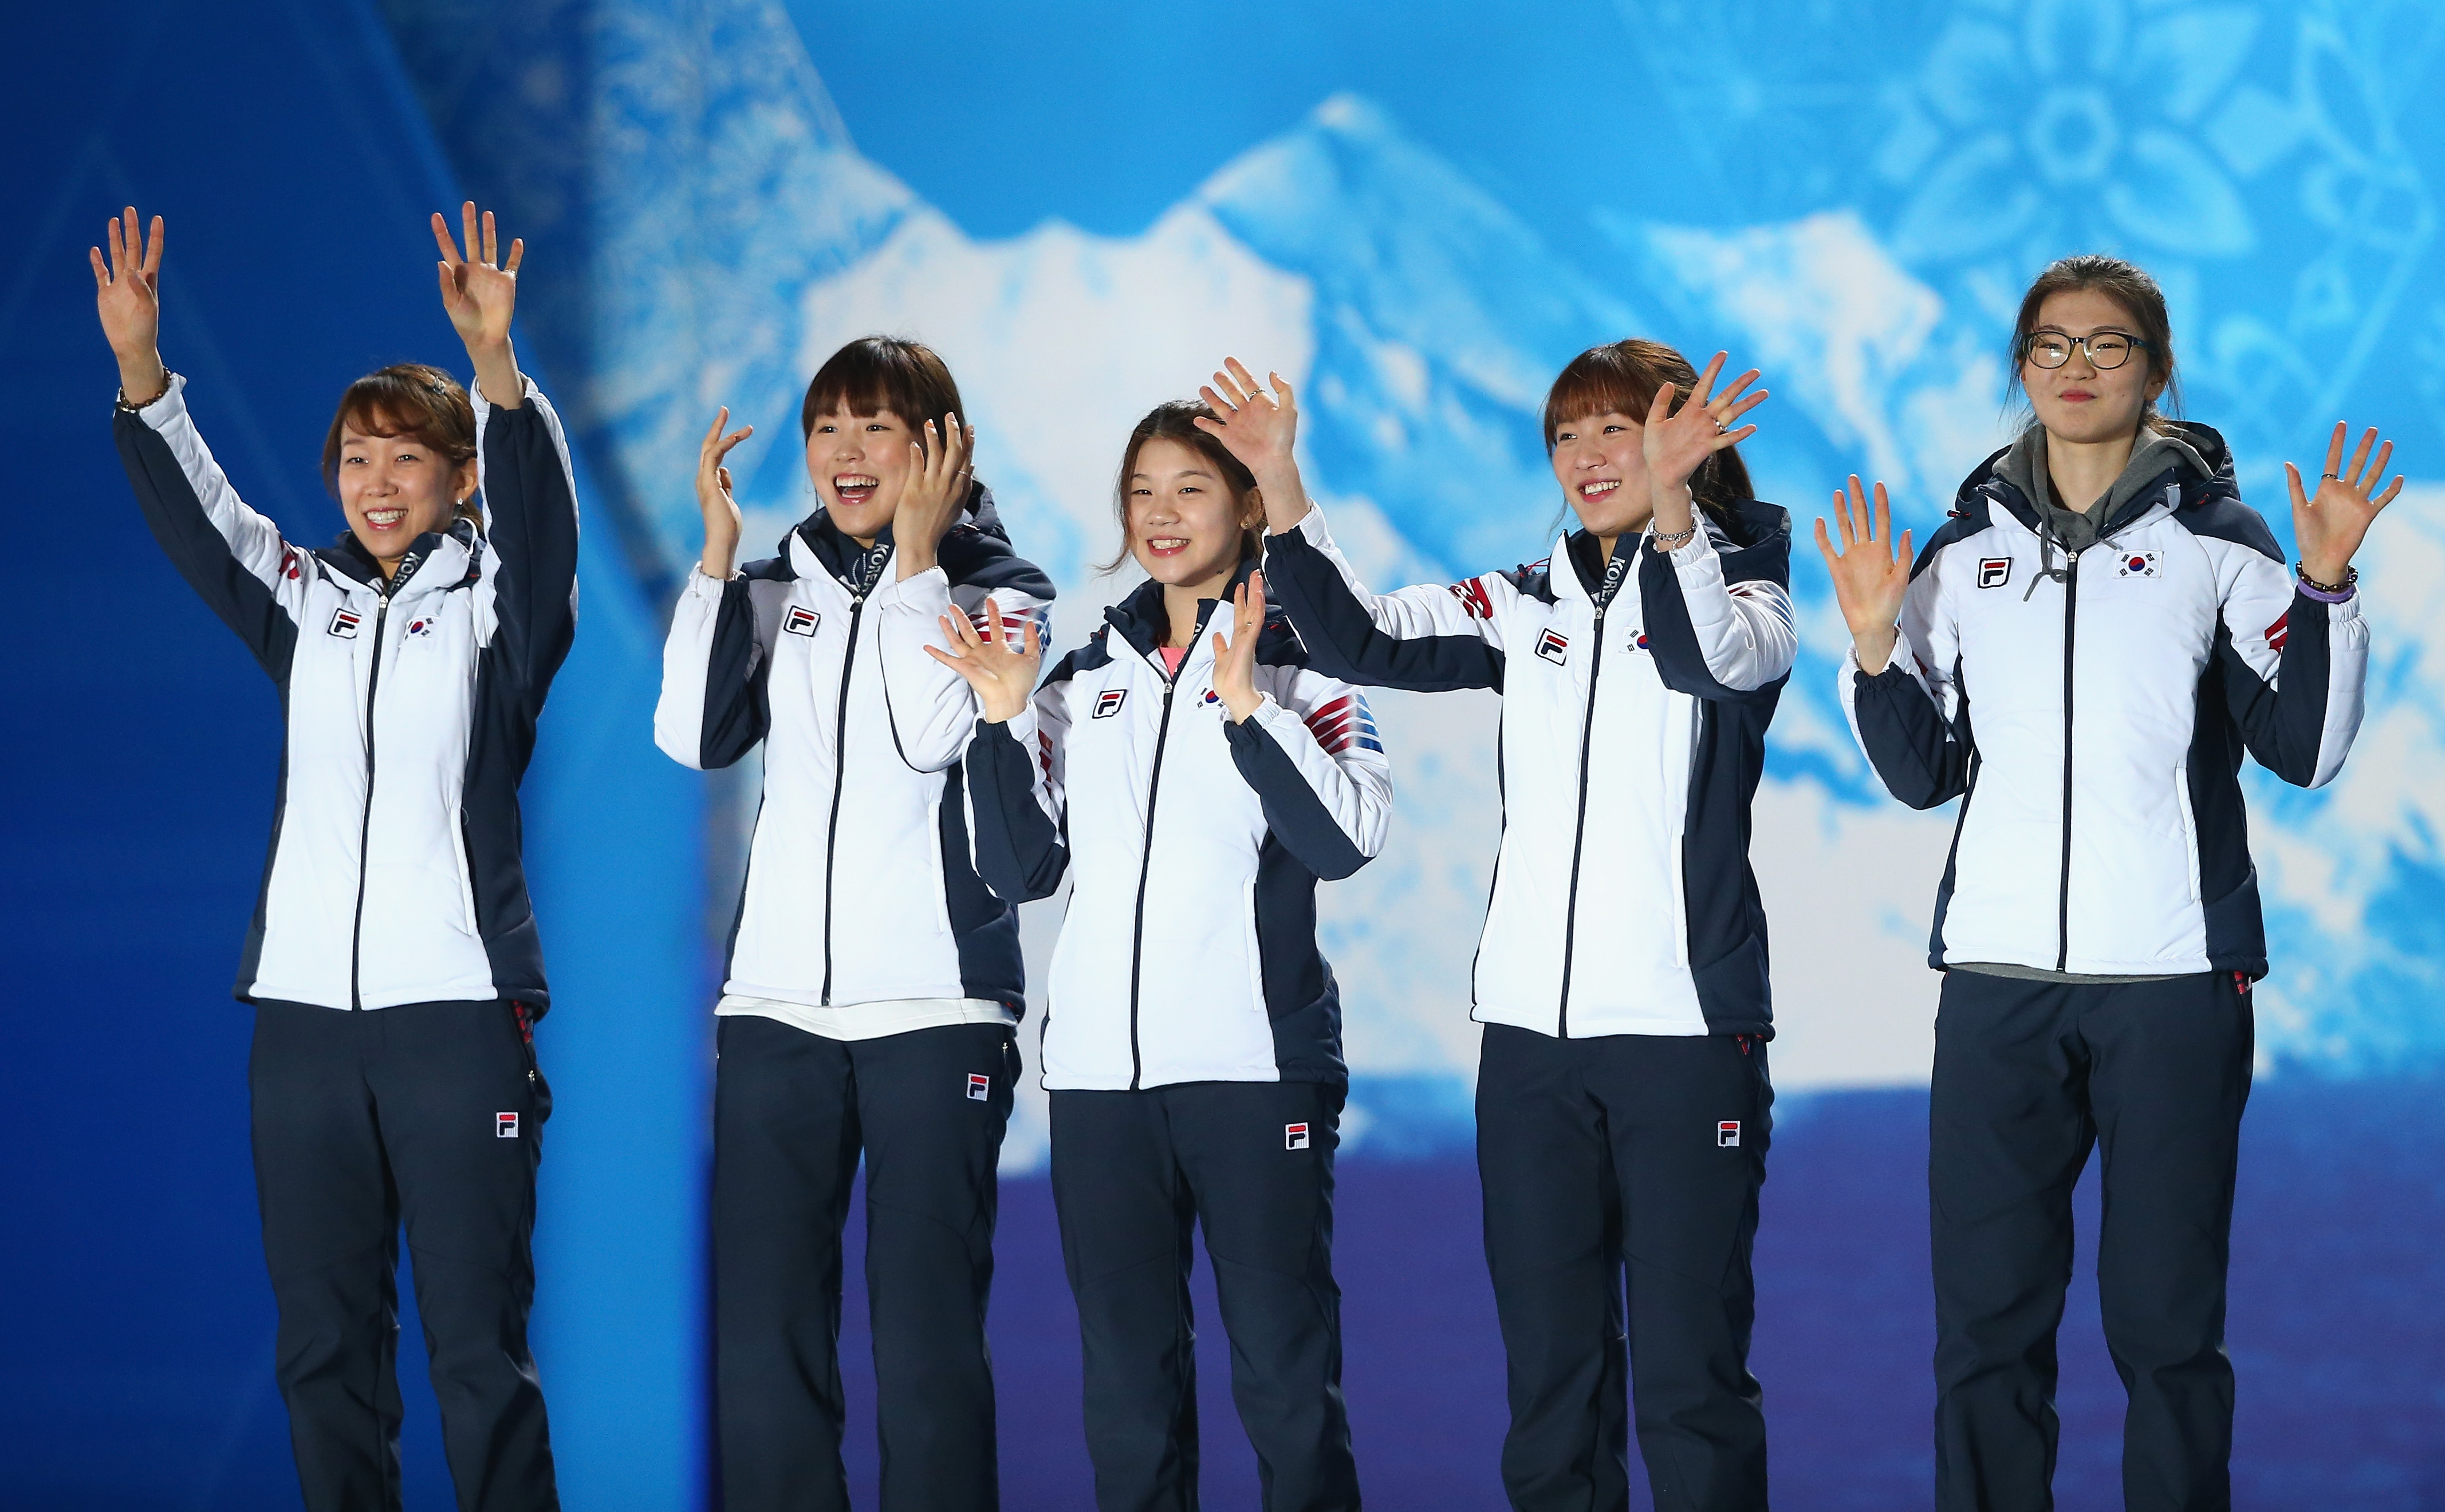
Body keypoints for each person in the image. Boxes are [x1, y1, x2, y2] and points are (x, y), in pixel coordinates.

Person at [1813, 253, 2399, 1512]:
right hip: (1998, 986)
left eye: (2108, 345)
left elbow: (2306, 750)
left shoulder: (2222, 545)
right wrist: (1871, 646)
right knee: (1985, 1334)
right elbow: (1922, 776)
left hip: (2174, 983)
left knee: (2166, 1328)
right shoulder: (1961, 553)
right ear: (2021, 367)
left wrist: (2327, 587)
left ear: (2157, 369)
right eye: (2052, 344)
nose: (2077, 366)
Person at [1226, 344, 1797, 1511]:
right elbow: (1357, 639)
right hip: (1532, 1050)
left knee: (1689, 1382)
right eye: (1566, 436)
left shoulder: (1752, 594)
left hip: (1687, 1039)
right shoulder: (1521, 602)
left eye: (1618, 429)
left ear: (1685, 441)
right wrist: (1280, 484)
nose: (1588, 458)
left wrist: (1676, 514)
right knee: (1551, 1385)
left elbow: (1704, 664)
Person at [95, 203, 577, 1510]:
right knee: (324, 1355)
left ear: (460, 477)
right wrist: (141, 367)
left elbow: (545, 534)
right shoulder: (303, 601)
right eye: (357, 457)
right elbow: (203, 517)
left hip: (456, 1019)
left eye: (407, 456)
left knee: (476, 1356)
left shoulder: (494, 610)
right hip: (303, 1027)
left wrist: (495, 368)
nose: (376, 480)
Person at [930, 400, 1392, 1512]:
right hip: (1102, 1086)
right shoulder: (1082, 677)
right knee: (1129, 1395)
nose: (1161, 513)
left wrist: (1248, 710)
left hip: (1254, 1073)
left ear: (1247, 505)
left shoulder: (1308, 667)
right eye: (1142, 492)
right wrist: (1002, 723)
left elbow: (1347, 842)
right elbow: (1019, 871)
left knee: (1285, 1382)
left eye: (1190, 488)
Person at [652, 336, 1054, 1512]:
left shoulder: (1002, 591)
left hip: (937, 1006)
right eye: (827, 427)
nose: (846, 451)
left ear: (939, 445)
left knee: (925, 1337)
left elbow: (931, 735)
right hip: (776, 1007)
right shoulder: (776, 584)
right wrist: (718, 559)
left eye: (876, 425)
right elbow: (692, 737)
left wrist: (919, 562)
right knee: (765, 1339)